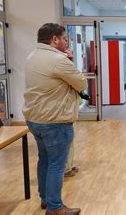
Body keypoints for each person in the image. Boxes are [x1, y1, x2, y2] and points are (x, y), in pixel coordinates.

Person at [23, 23, 87, 215]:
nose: (66, 42)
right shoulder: (58, 60)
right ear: (54, 40)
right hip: (55, 120)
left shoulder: (32, 56)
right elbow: (81, 83)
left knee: (44, 159)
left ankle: (45, 198)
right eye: (65, 38)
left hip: (35, 119)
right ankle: (55, 207)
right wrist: (71, 61)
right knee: (57, 164)